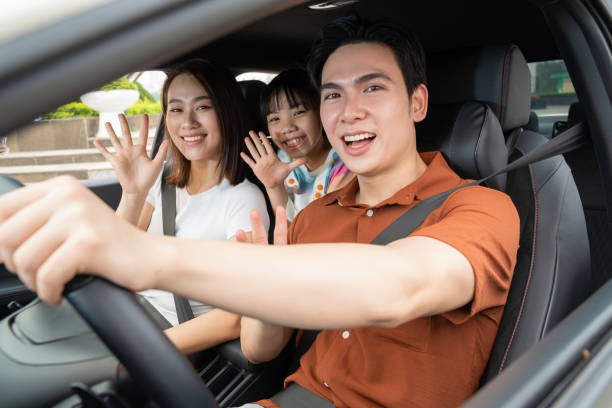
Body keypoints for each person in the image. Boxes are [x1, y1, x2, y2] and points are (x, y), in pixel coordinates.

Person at [0, 15, 519, 407]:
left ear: (417, 103)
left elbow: (399, 286)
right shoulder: (312, 217)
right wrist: (267, 266)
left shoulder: (481, 208)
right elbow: (260, 349)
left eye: (373, 88)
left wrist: (146, 255)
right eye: (332, 95)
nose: (349, 111)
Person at [93, 59, 270, 354]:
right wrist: (133, 193)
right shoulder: (163, 182)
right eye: (176, 109)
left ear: (227, 112)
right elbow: (110, 258)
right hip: (126, 313)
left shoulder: (243, 199)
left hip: (165, 339)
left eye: (203, 107)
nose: (188, 122)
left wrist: (145, 350)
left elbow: (235, 317)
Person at [241, 68, 353, 221]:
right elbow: (286, 229)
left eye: (299, 112)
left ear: (321, 112)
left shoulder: (345, 163)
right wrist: (274, 187)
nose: (287, 128)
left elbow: (323, 229)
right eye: (275, 119)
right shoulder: (279, 162)